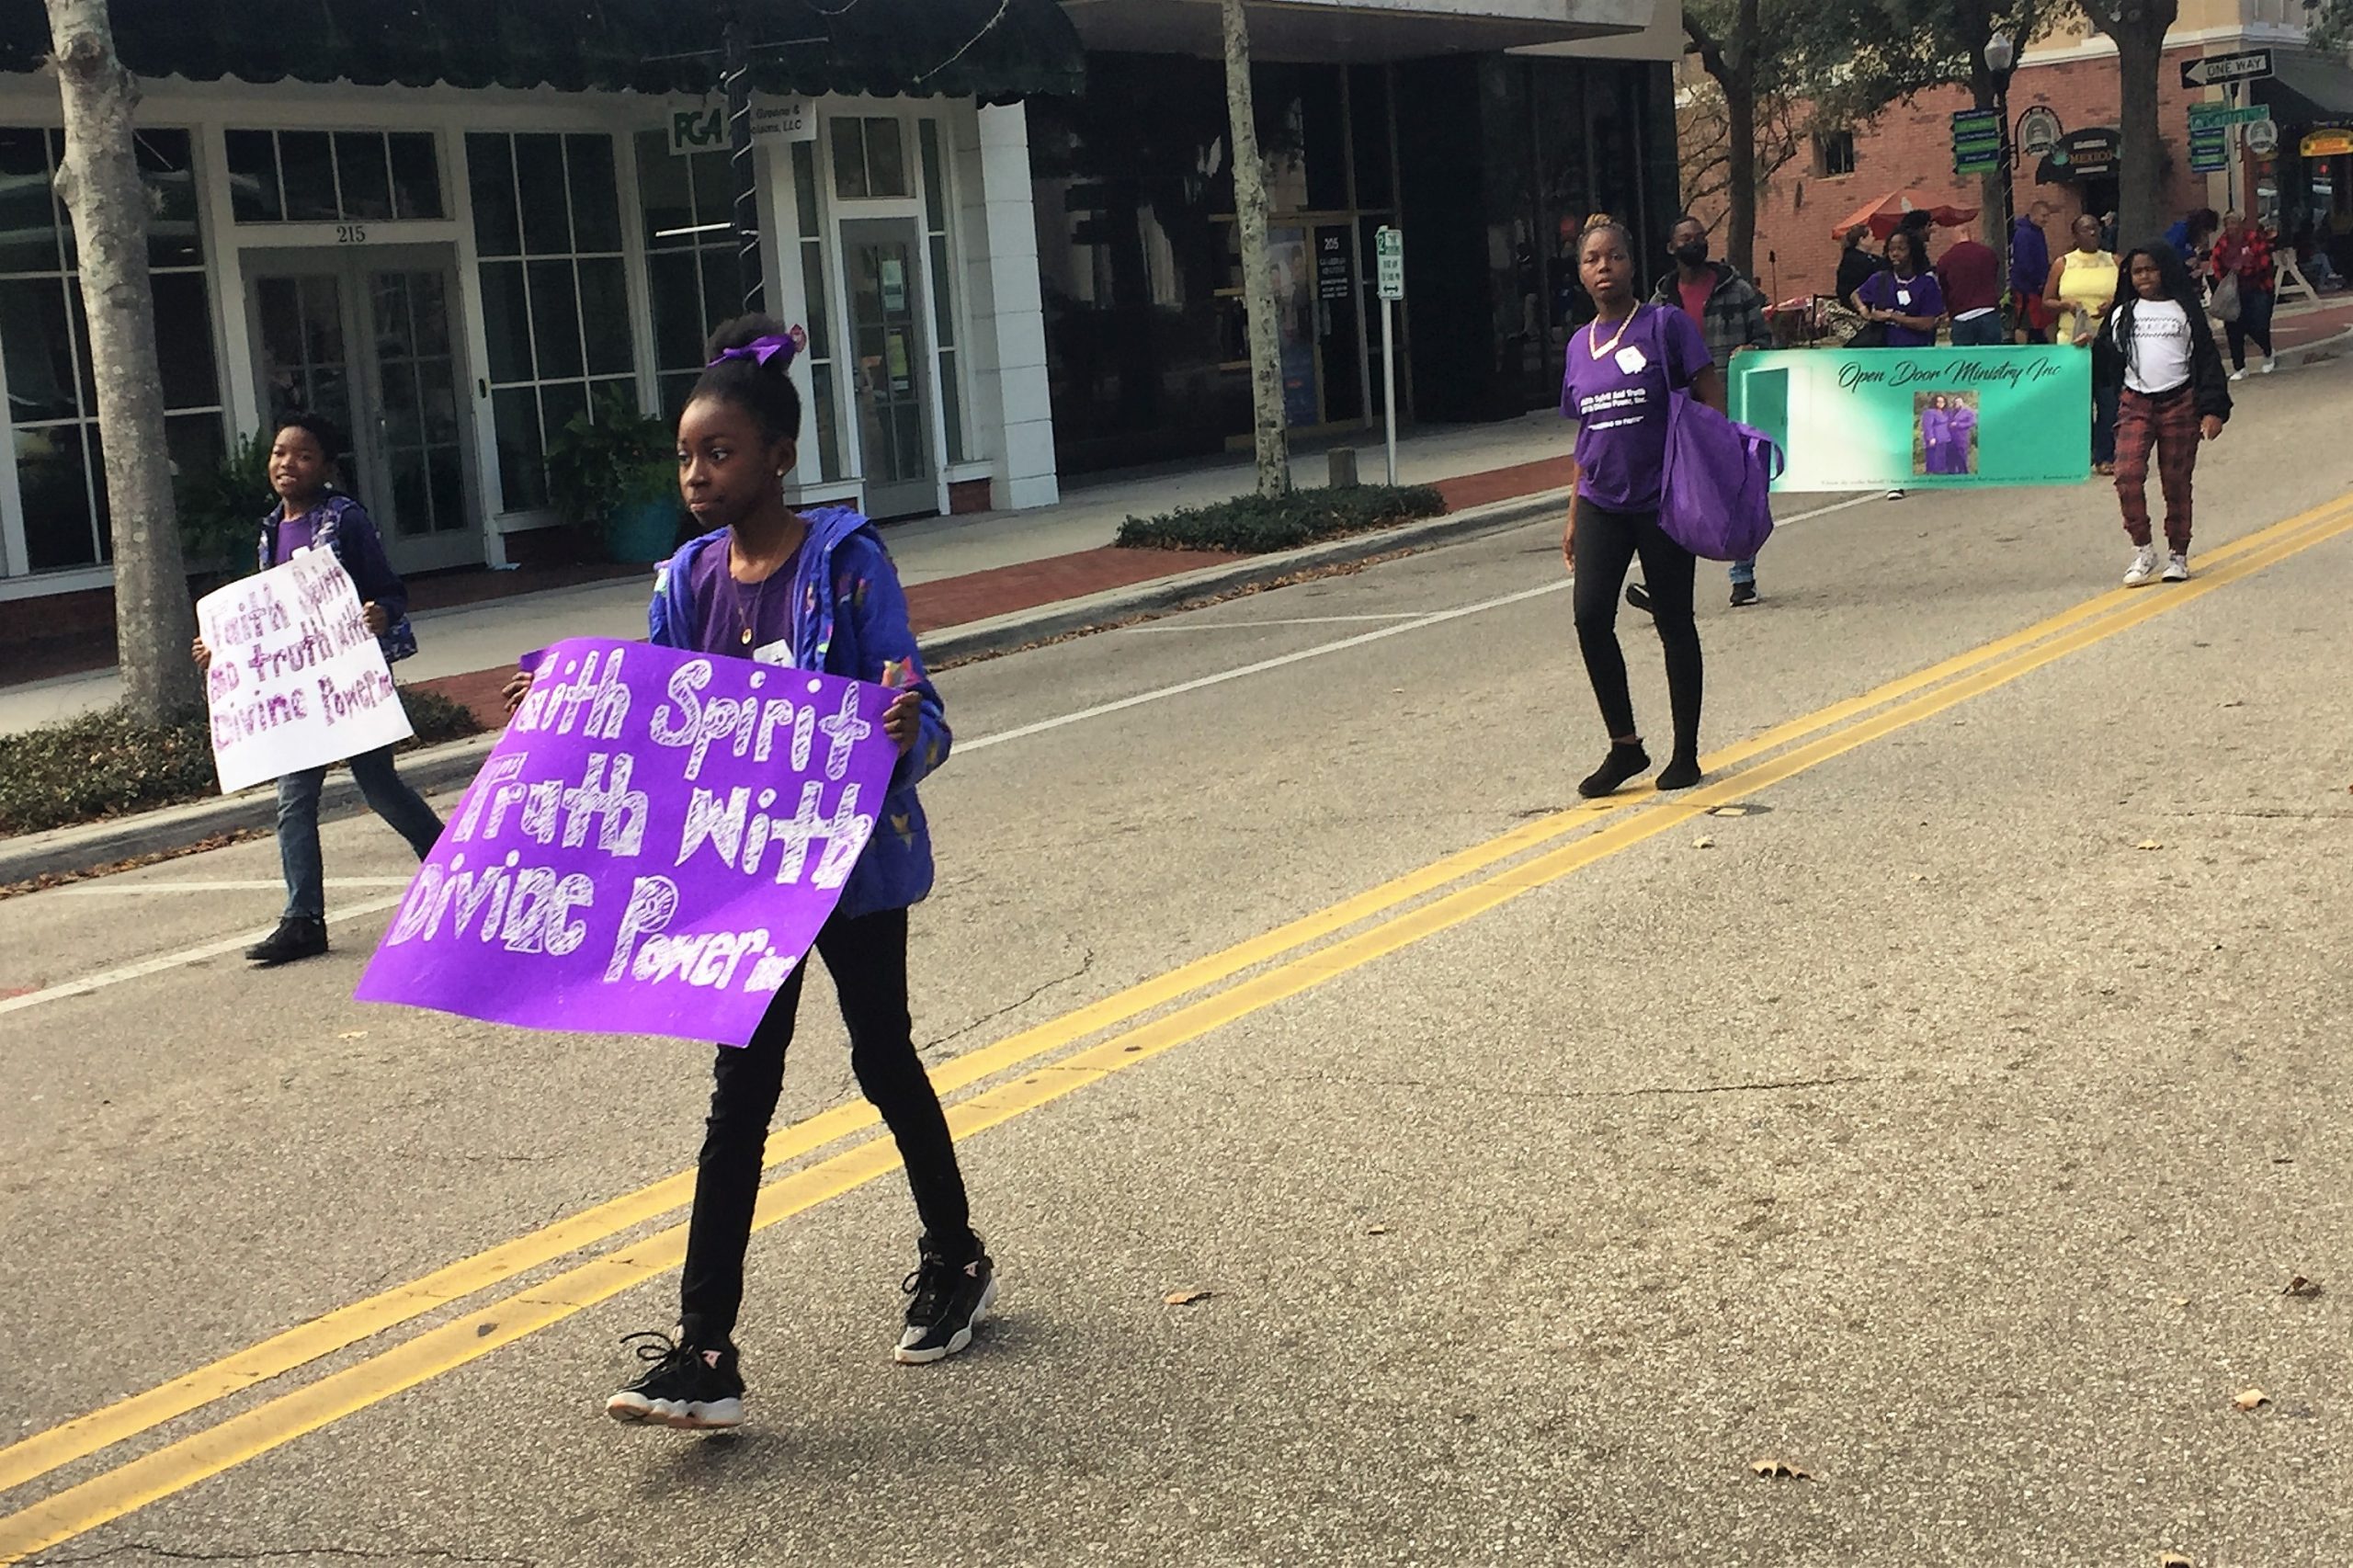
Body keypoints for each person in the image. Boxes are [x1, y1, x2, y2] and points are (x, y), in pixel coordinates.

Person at [513, 315, 992, 1431]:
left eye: (718, 452)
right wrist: (566, 716)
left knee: (883, 1057)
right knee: (740, 1099)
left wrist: (906, 725)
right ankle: (705, 1349)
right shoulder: (684, 581)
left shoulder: (846, 562)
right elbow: (657, 727)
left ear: (778, 455)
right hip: (742, 882)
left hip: (853, 870)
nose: (695, 474)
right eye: (685, 455)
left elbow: (916, 718)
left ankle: (956, 1256)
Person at [188, 412, 443, 967]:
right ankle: (303, 920)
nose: (287, 464)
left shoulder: (345, 520)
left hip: (346, 684)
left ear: (326, 467)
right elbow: (267, 619)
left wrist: (381, 613)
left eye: (303, 456)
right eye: (280, 453)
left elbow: (388, 589)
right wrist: (222, 651)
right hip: (294, 695)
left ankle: (451, 869)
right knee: (293, 802)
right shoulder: (269, 530)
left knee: (379, 787)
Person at [1558, 218, 1718, 798]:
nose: (1604, 268)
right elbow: (1584, 433)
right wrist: (1574, 513)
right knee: (1590, 616)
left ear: (1631, 263)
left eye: (1615, 257)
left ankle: (1685, 753)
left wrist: (1711, 459)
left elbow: (1707, 388)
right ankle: (1625, 746)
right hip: (1602, 499)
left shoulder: (1664, 325)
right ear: (1580, 273)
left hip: (1663, 496)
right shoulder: (1579, 345)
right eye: (1592, 260)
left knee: (1674, 621)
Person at [1648, 214, 1773, 605]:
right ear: (1672, 248)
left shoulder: (1736, 290)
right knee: (1678, 496)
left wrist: (1753, 349)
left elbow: (1766, 339)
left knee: (1733, 487)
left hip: (1728, 399)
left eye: (1699, 237)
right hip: (1683, 412)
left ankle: (1742, 576)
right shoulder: (1660, 305)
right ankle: (1669, 587)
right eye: (1685, 238)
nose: (1693, 243)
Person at [2102, 243, 2232, 586]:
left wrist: (2213, 409)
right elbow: (2106, 360)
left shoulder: (2183, 311)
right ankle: (2144, 549)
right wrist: (2085, 348)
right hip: (2135, 402)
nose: (2144, 277)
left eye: (2150, 269)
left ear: (2164, 271)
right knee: (2127, 475)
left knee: (2175, 481)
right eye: (2137, 271)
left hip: (2179, 402)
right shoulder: (2122, 314)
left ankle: (2178, 554)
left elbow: (2205, 360)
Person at [1855, 228, 1946, 498]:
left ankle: (1931, 464)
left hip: (1918, 358)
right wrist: (1864, 310)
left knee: (1920, 414)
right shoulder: (1881, 280)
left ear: (1913, 252)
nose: (1895, 253)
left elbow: (1929, 322)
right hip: (1887, 357)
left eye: (1901, 248)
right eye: (1891, 248)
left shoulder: (1926, 284)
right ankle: (1894, 475)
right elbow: (1857, 295)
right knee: (1892, 415)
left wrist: (1894, 317)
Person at [2047, 212, 2120, 472]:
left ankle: (2106, 455)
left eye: (2095, 228)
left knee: (2109, 399)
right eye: (2085, 229)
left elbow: (2126, 297)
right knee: (2078, 400)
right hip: (2072, 340)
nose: (2092, 233)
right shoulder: (2063, 264)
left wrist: (2112, 305)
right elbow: (2047, 301)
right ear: (2075, 235)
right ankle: (2086, 449)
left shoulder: (2113, 261)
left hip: (2105, 340)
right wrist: (2065, 304)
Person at [2211, 210, 2278, 380]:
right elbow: (2217, 265)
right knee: (2234, 328)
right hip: (2234, 291)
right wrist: (2227, 280)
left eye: (2234, 222)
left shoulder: (2254, 238)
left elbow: (2265, 262)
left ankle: (2268, 351)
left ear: (2241, 223)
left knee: (2259, 324)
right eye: (2228, 223)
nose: (2231, 226)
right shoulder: (2222, 243)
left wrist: (2246, 270)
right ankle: (2239, 367)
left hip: (2258, 287)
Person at [1937, 228, 2005, 346]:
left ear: (1953, 238)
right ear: (1971, 234)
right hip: (1988, 311)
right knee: (1993, 359)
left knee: (1964, 360)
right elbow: (1995, 277)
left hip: (1961, 316)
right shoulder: (1987, 253)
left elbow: (1945, 289)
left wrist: (1949, 310)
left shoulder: (1945, 260)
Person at [2011, 208, 2055, 344]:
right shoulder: (2023, 234)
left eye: (2048, 216)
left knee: (2046, 319)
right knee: (2024, 323)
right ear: (2033, 214)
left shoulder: (2037, 232)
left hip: (2038, 286)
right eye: (2043, 215)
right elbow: (2024, 262)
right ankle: (2022, 354)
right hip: (2026, 287)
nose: (2046, 219)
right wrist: (2038, 281)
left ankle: (2051, 348)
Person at [1835, 224, 1884, 311]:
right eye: (1871, 235)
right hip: (1860, 307)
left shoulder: (1868, 258)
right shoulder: (1854, 261)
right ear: (1862, 240)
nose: (1874, 238)